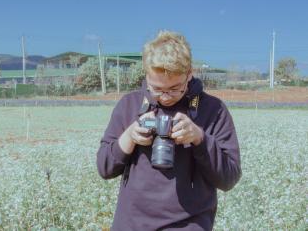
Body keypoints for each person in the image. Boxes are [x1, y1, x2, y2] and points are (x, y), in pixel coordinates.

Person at [96, 31, 241, 230]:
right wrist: (130, 137)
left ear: (189, 73)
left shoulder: (213, 110)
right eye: (156, 88)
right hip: (131, 223)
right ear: (146, 74)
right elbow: (104, 168)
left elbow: (229, 178)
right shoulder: (129, 105)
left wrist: (200, 138)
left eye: (174, 88)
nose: (165, 97)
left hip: (189, 224)